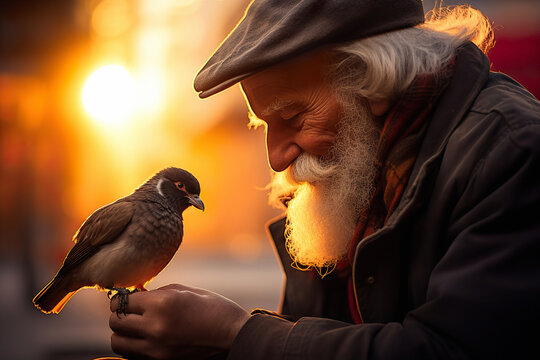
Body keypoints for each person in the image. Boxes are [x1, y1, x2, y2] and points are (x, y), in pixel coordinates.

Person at [108, 0, 540, 359]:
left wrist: (238, 334)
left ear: (372, 81)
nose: (277, 159)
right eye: (264, 125)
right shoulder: (349, 178)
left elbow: (453, 351)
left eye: (292, 116)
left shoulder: (511, 152)